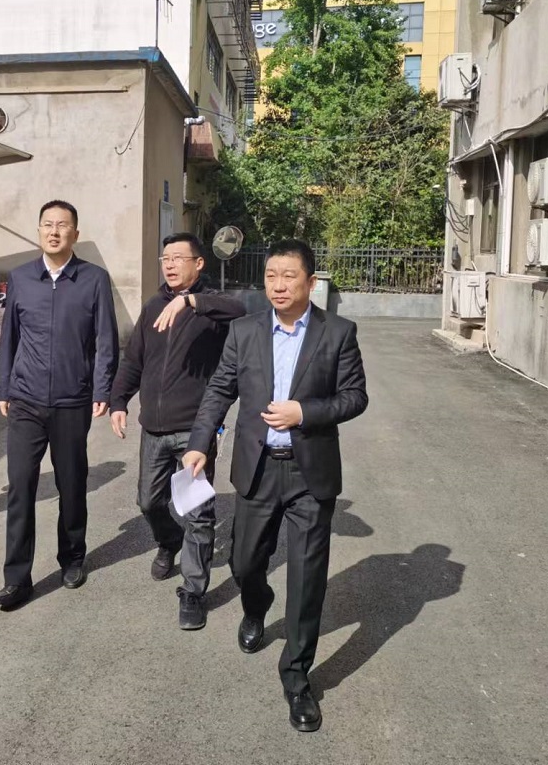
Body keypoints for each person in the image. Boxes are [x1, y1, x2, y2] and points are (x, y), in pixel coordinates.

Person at [184, 239, 368, 733]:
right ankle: (256, 605)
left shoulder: (338, 333)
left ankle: (297, 678)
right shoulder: (244, 331)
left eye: (289, 276)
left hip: (310, 473)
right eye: (271, 276)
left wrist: (304, 412)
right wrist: (200, 443)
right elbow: (219, 389)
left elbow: (355, 397)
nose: (279, 285)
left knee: (307, 580)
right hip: (258, 466)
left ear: (311, 281)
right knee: (245, 562)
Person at [108, 232, 245, 630]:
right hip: (153, 428)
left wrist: (191, 302)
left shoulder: (213, 308)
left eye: (177, 258)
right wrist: (119, 401)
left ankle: (193, 592)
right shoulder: (153, 306)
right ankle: (169, 541)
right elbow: (134, 360)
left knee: (199, 514)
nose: (168, 264)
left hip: (194, 432)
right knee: (148, 502)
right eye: (164, 258)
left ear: (198, 263)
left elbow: (241, 310)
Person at [0, 200, 119, 611]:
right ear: (39, 231)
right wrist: (5, 389)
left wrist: (101, 390)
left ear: (75, 234)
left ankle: (73, 557)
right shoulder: (21, 278)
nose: (54, 231)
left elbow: (105, 340)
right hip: (25, 401)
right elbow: (9, 338)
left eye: (62, 225)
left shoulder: (93, 279)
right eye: (47, 224)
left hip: (71, 400)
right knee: (20, 487)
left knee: (72, 483)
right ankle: (16, 579)